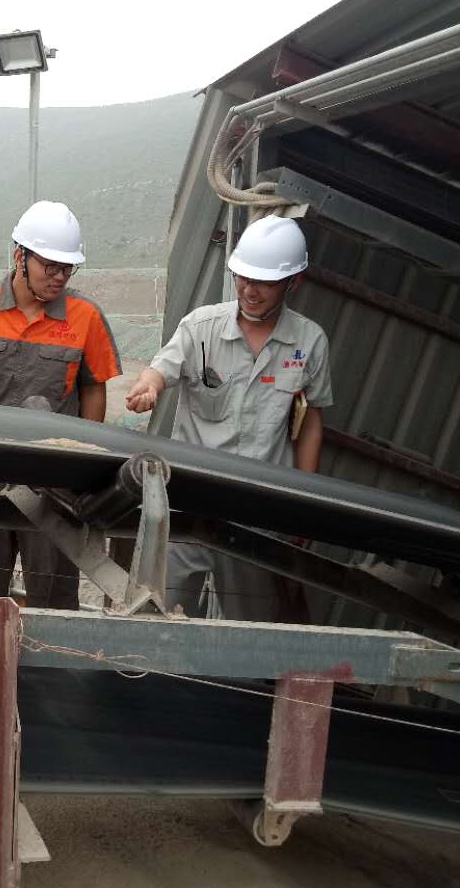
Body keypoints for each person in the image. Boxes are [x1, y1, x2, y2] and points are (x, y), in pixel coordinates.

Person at [125, 214, 332, 621]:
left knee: (248, 623)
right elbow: (158, 370)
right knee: (158, 611)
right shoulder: (200, 328)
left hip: (257, 511)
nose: (249, 290)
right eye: (243, 278)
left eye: (264, 282)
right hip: (187, 503)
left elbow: (310, 423)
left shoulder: (309, 342)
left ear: (294, 282)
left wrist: (306, 505)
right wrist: (148, 387)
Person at [0, 200, 122, 609]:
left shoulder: (86, 317)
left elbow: (93, 389)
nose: (60, 277)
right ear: (20, 256)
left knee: (53, 597)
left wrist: (84, 465)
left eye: (67, 268)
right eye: (50, 266)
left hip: (55, 487)